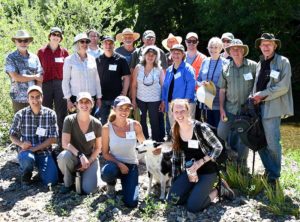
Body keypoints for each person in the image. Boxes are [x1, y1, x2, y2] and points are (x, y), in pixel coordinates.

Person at [167, 99, 234, 213]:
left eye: (182, 111)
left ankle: (219, 189)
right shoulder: (174, 131)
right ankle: (195, 190)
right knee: (172, 199)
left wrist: (200, 162)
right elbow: (176, 158)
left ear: (188, 111)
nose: (179, 115)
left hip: (208, 170)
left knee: (193, 207)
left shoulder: (200, 128)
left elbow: (218, 147)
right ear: (172, 113)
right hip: (190, 172)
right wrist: (176, 180)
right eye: (176, 112)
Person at [251, 33, 294, 185]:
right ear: (260, 47)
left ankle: (274, 175)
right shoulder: (259, 63)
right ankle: (269, 170)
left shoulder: (283, 62)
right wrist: (253, 97)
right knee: (260, 141)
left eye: (269, 44)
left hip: (273, 109)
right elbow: (256, 85)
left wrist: (261, 95)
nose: (266, 47)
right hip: (258, 109)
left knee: (273, 142)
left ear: (275, 46)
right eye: (263, 44)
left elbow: (283, 87)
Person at [217, 39, 257, 166]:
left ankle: (242, 165)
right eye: (233, 49)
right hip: (229, 109)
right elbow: (222, 90)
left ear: (244, 51)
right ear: (229, 51)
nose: (236, 51)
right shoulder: (226, 68)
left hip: (247, 111)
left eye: (239, 48)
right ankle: (226, 157)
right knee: (221, 133)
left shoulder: (253, 66)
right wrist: (222, 109)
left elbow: (258, 86)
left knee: (243, 139)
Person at [9, 85, 58, 186]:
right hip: (26, 151)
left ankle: (42, 169)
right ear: (28, 99)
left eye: (37, 97)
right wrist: (21, 144)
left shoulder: (50, 114)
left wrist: (34, 149)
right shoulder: (20, 114)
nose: (35, 100)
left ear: (42, 98)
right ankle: (26, 175)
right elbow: (12, 135)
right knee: (27, 158)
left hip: (44, 151)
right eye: (32, 97)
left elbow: (53, 138)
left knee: (51, 181)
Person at [101, 96, 145, 208]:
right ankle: (111, 185)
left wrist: (155, 151)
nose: (124, 111)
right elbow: (105, 153)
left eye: (127, 108)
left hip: (131, 166)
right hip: (115, 165)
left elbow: (144, 145)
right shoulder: (106, 128)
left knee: (132, 202)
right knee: (107, 172)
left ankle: (128, 185)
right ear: (114, 109)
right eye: (121, 108)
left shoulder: (135, 125)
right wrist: (119, 164)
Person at [57, 92, 103, 194]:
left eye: (87, 102)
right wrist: (80, 155)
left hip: (90, 158)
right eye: (81, 102)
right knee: (63, 157)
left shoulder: (97, 124)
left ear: (92, 104)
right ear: (76, 104)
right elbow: (65, 143)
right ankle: (68, 183)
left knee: (89, 190)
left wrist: (89, 161)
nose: (84, 104)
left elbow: (98, 148)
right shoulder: (69, 120)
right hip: (73, 156)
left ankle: (84, 175)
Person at [37, 27, 69, 138]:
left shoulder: (64, 52)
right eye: (53, 34)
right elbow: (38, 69)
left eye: (58, 35)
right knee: (45, 111)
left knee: (61, 112)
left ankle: (61, 139)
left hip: (60, 84)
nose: (56, 37)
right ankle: (46, 139)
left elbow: (68, 70)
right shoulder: (41, 52)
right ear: (49, 36)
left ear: (61, 38)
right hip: (46, 84)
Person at [62, 33, 102, 116]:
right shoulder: (69, 60)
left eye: (87, 42)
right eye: (82, 42)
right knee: (76, 125)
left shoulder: (92, 59)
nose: (85, 44)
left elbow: (97, 79)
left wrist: (99, 98)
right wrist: (68, 100)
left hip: (91, 97)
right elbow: (65, 80)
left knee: (90, 124)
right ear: (77, 44)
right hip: (75, 98)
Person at [131, 46, 165, 142]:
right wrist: (133, 100)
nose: (150, 57)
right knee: (141, 120)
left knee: (154, 121)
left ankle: (156, 142)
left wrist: (163, 101)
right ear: (144, 55)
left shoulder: (159, 69)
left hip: (155, 100)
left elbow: (163, 86)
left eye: (153, 55)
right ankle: (143, 141)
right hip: (140, 98)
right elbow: (133, 85)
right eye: (148, 54)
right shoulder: (138, 67)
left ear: (156, 57)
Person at [5, 30, 43, 113]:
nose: (23, 43)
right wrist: (34, 76)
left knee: (35, 124)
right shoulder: (10, 58)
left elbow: (40, 78)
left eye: (25, 40)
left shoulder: (35, 58)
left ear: (28, 42)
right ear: (15, 42)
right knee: (20, 125)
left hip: (34, 100)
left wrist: (38, 95)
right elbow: (16, 77)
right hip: (19, 99)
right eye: (20, 40)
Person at [96, 36, 131, 125]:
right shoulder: (98, 60)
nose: (108, 46)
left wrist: (124, 93)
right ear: (102, 45)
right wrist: (97, 96)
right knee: (103, 123)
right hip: (102, 98)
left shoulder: (121, 59)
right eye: (106, 43)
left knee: (117, 123)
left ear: (114, 45)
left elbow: (127, 77)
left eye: (110, 43)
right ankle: (105, 139)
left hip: (117, 98)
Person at [161, 44, 196, 128]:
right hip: (172, 105)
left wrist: (185, 102)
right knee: (174, 129)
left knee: (186, 128)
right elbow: (165, 87)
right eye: (174, 53)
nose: (175, 55)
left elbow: (191, 85)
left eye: (178, 53)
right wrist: (163, 100)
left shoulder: (187, 68)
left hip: (185, 104)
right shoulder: (169, 69)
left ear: (183, 54)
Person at [197, 37, 229, 127]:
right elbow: (198, 79)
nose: (213, 49)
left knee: (219, 130)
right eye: (211, 47)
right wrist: (201, 83)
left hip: (219, 103)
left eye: (216, 47)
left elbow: (228, 83)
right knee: (208, 130)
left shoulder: (226, 63)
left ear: (221, 48)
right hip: (206, 103)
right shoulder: (205, 61)